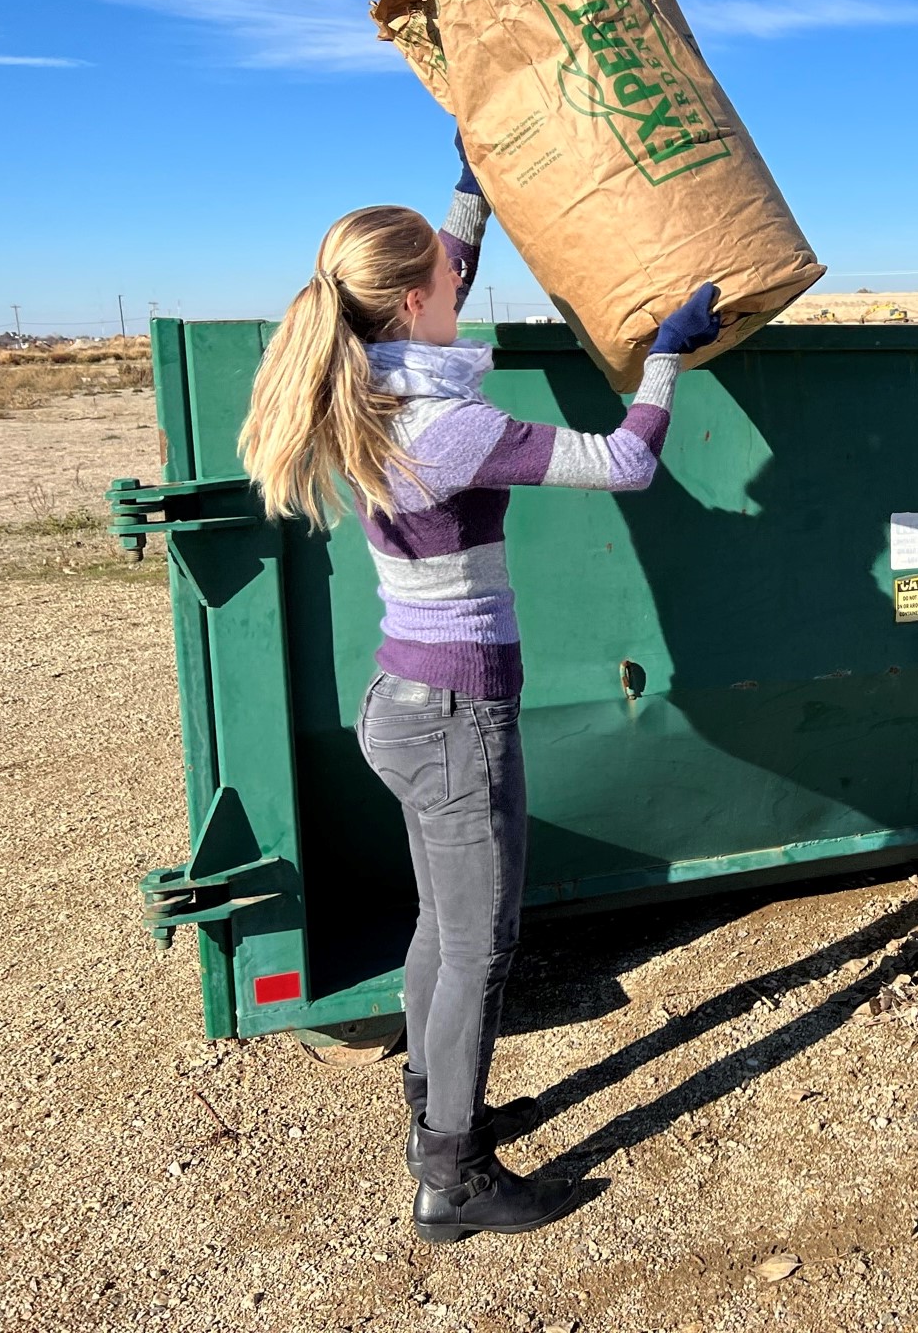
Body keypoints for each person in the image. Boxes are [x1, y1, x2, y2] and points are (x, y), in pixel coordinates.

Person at [237, 136, 721, 1243]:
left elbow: (428, 268)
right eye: (452, 276)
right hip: (455, 718)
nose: (465, 279)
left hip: (405, 703)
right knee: (480, 945)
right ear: (412, 301)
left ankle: (431, 1108)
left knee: (440, 930)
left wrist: (468, 190)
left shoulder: (365, 379)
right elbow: (626, 464)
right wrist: (666, 356)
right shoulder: (444, 426)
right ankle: (450, 1179)